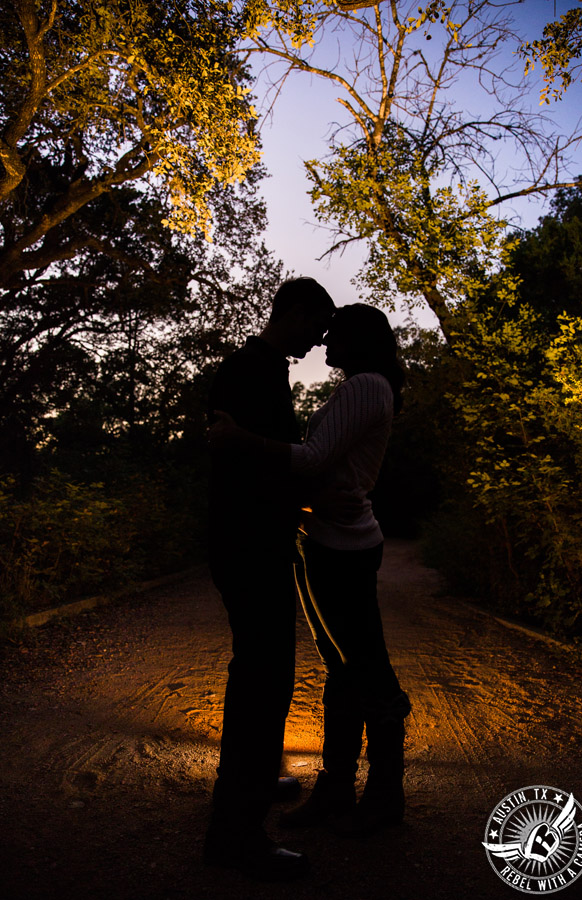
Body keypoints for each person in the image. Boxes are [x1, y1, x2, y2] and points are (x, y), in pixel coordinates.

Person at [210, 303, 411, 840]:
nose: (324, 345)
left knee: (366, 668)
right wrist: (309, 506)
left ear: (358, 340)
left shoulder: (366, 385)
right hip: (330, 540)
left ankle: (385, 794)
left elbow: (313, 456)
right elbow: (322, 468)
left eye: (334, 335)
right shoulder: (364, 385)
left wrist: (240, 440)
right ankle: (338, 789)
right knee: (345, 670)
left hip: (345, 548)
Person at [203, 277, 335, 881]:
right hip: (249, 546)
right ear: (296, 314)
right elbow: (238, 457)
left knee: (260, 673)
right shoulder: (249, 369)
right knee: (264, 678)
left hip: (250, 542)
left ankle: (253, 784)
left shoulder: (259, 366)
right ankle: (236, 837)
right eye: (317, 326)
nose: (319, 341)